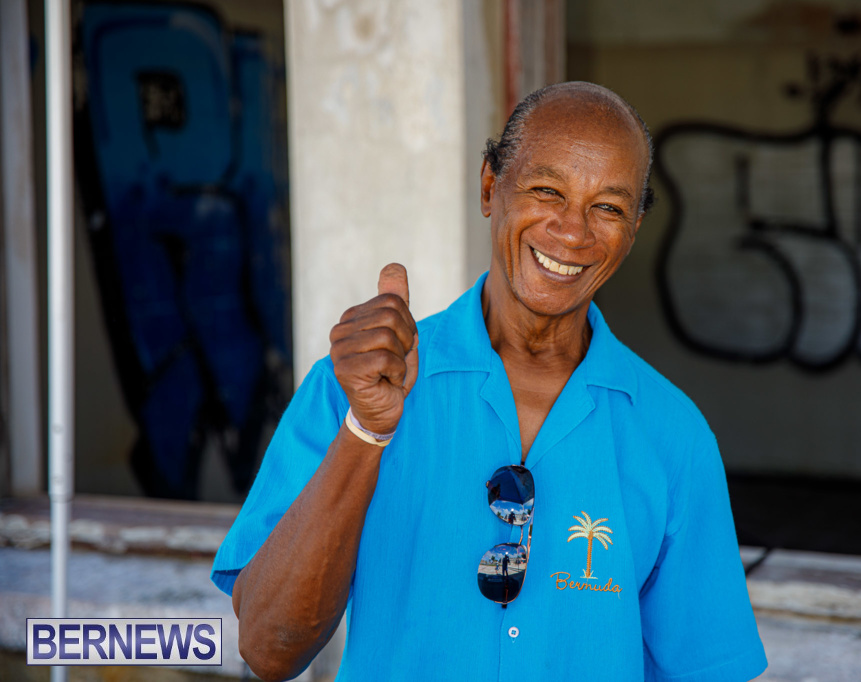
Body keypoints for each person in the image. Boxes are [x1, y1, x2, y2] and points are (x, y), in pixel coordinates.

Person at [212, 81, 767, 682]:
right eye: (547, 190)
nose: (573, 231)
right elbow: (267, 648)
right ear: (488, 187)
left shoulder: (672, 434)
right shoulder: (359, 384)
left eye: (608, 207)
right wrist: (366, 432)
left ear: (633, 227)